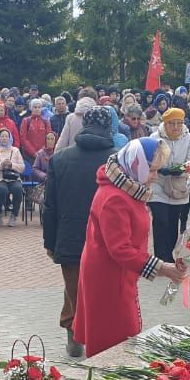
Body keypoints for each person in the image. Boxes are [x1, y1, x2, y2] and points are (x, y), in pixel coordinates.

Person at [72, 137, 187, 357]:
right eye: (152, 170)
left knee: (120, 332)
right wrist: (162, 268)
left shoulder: (127, 188)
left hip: (117, 270)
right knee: (114, 337)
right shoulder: (115, 197)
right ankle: (107, 379)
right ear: (136, 164)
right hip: (108, 275)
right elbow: (120, 249)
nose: (154, 177)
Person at [43, 107, 115, 357]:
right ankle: (93, 336)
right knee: (101, 289)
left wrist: (50, 242)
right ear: (109, 127)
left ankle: (74, 334)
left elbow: (49, 206)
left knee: (73, 287)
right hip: (107, 238)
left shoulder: (60, 158)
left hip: (70, 235)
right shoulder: (118, 159)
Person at [147, 107, 190, 261]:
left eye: (179, 123)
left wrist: (181, 169)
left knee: (173, 220)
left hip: (178, 185)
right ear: (165, 124)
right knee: (161, 219)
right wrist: (161, 168)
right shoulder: (155, 137)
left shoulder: (188, 138)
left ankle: (169, 254)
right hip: (158, 183)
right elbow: (150, 158)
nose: (176, 127)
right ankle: (161, 256)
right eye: (172, 124)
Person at [0, 128, 25, 227]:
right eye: (2, 136)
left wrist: (12, 164)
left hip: (13, 177)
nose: (4, 138)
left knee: (18, 189)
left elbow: (22, 167)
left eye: (6, 136)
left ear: (10, 138)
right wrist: (1, 164)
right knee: (2, 190)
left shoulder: (15, 150)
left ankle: (14, 215)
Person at [19, 99, 50, 163]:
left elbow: (49, 138)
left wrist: (41, 151)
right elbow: (23, 138)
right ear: (31, 108)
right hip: (28, 155)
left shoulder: (46, 122)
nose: (37, 109)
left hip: (43, 155)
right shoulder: (26, 121)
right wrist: (33, 153)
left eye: (39, 107)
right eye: (35, 107)